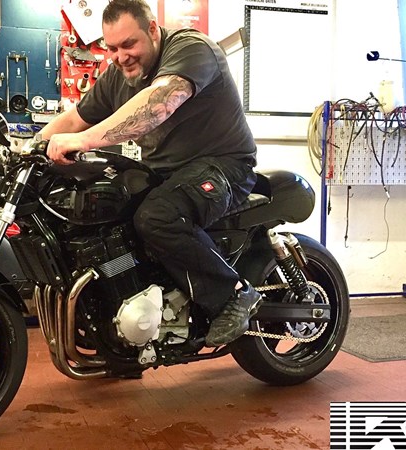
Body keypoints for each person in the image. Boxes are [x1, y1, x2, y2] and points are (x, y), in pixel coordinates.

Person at [41, 0, 261, 347]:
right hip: (168, 174)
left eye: (129, 44)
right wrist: (32, 146)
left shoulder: (191, 48)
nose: (120, 56)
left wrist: (83, 140)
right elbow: (75, 118)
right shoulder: (117, 75)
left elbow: (157, 104)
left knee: (156, 216)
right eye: (112, 48)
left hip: (224, 167)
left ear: (153, 31)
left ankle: (233, 293)